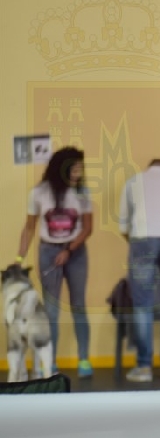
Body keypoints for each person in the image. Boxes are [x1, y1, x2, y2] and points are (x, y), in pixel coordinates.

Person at [15, 146, 93, 378]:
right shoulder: (39, 193)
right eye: (75, 167)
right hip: (48, 252)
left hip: (76, 253)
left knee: (79, 306)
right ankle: (49, 363)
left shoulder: (82, 193)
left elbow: (87, 228)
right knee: (51, 310)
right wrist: (19, 258)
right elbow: (29, 228)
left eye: (81, 167)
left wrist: (69, 249)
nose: (79, 172)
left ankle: (84, 359)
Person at [118, 159, 160, 382]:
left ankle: (143, 366)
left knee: (142, 305)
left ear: (149, 167)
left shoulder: (133, 182)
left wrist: (138, 245)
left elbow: (123, 226)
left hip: (142, 240)